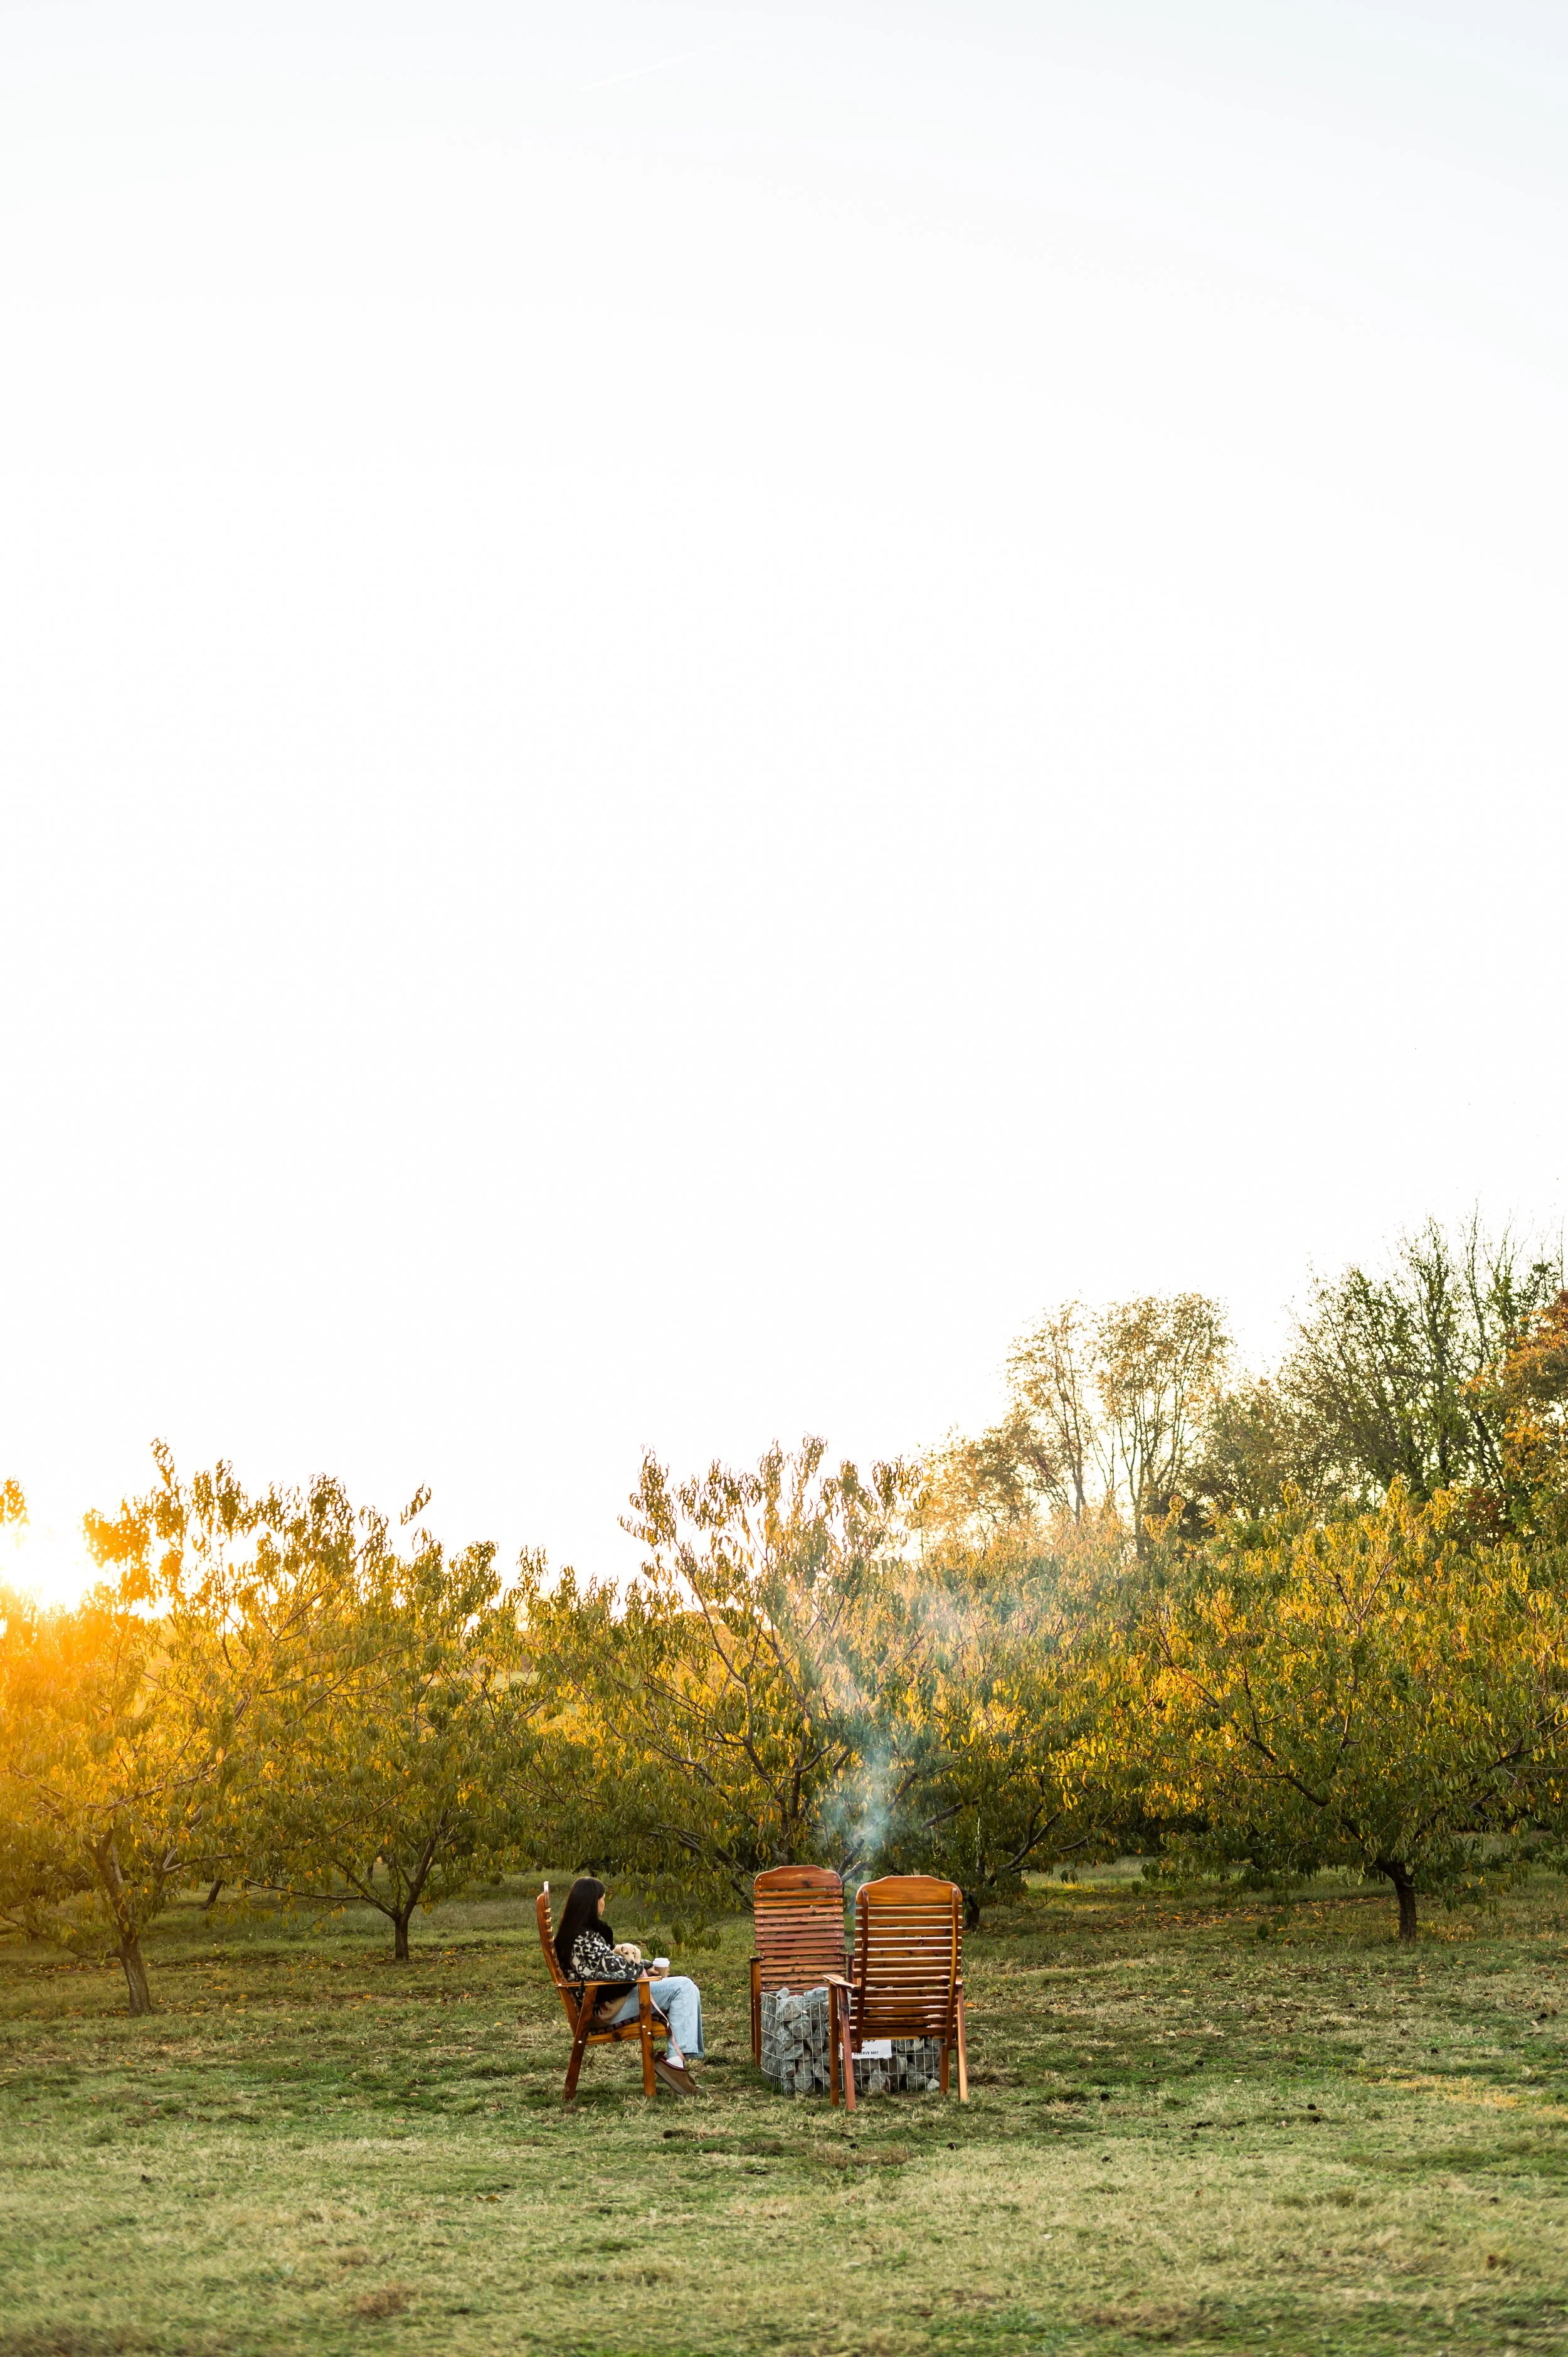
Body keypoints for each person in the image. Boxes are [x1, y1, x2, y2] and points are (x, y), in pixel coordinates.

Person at [553, 1875, 705, 2099]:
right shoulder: (585, 1938)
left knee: (685, 1988)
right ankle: (674, 2063)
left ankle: (676, 2061)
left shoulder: (575, 1933)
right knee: (683, 1988)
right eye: (602, 1899)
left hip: (600, 2001)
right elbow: (620, 1970)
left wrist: (645, 1967)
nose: (604, 1904)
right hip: (603, 2008)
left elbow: (612, 1966)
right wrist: (643, 1966)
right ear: (593, 1902)